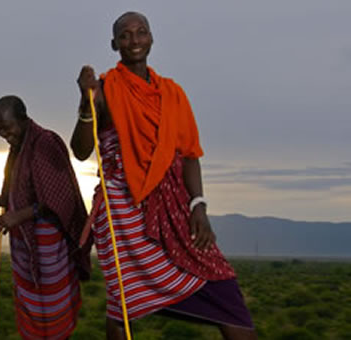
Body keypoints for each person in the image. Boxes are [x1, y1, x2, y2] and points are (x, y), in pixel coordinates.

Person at [70, 12, 257, 340]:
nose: (134, 40)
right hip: (124, 211)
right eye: (125, 35)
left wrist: (198, 205)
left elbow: (189, 155)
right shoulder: (103, 89)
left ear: (152, 38)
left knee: (223, 285)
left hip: (175, 206)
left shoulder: (172, 94)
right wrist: (86, 104)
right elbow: (81, 150)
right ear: (114, 44)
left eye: (141, 32)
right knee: (122, 307)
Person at [0, 95, 90, 340]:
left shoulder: (45, 143)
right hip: (24, 248)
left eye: (8, 129)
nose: (5, 136)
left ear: (22, 119)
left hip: (48, 247)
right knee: (31, 313)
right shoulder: (17, 150)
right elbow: (13, 198)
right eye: (0, 132)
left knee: (54, 314)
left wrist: (18, 216)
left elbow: (58, 198)